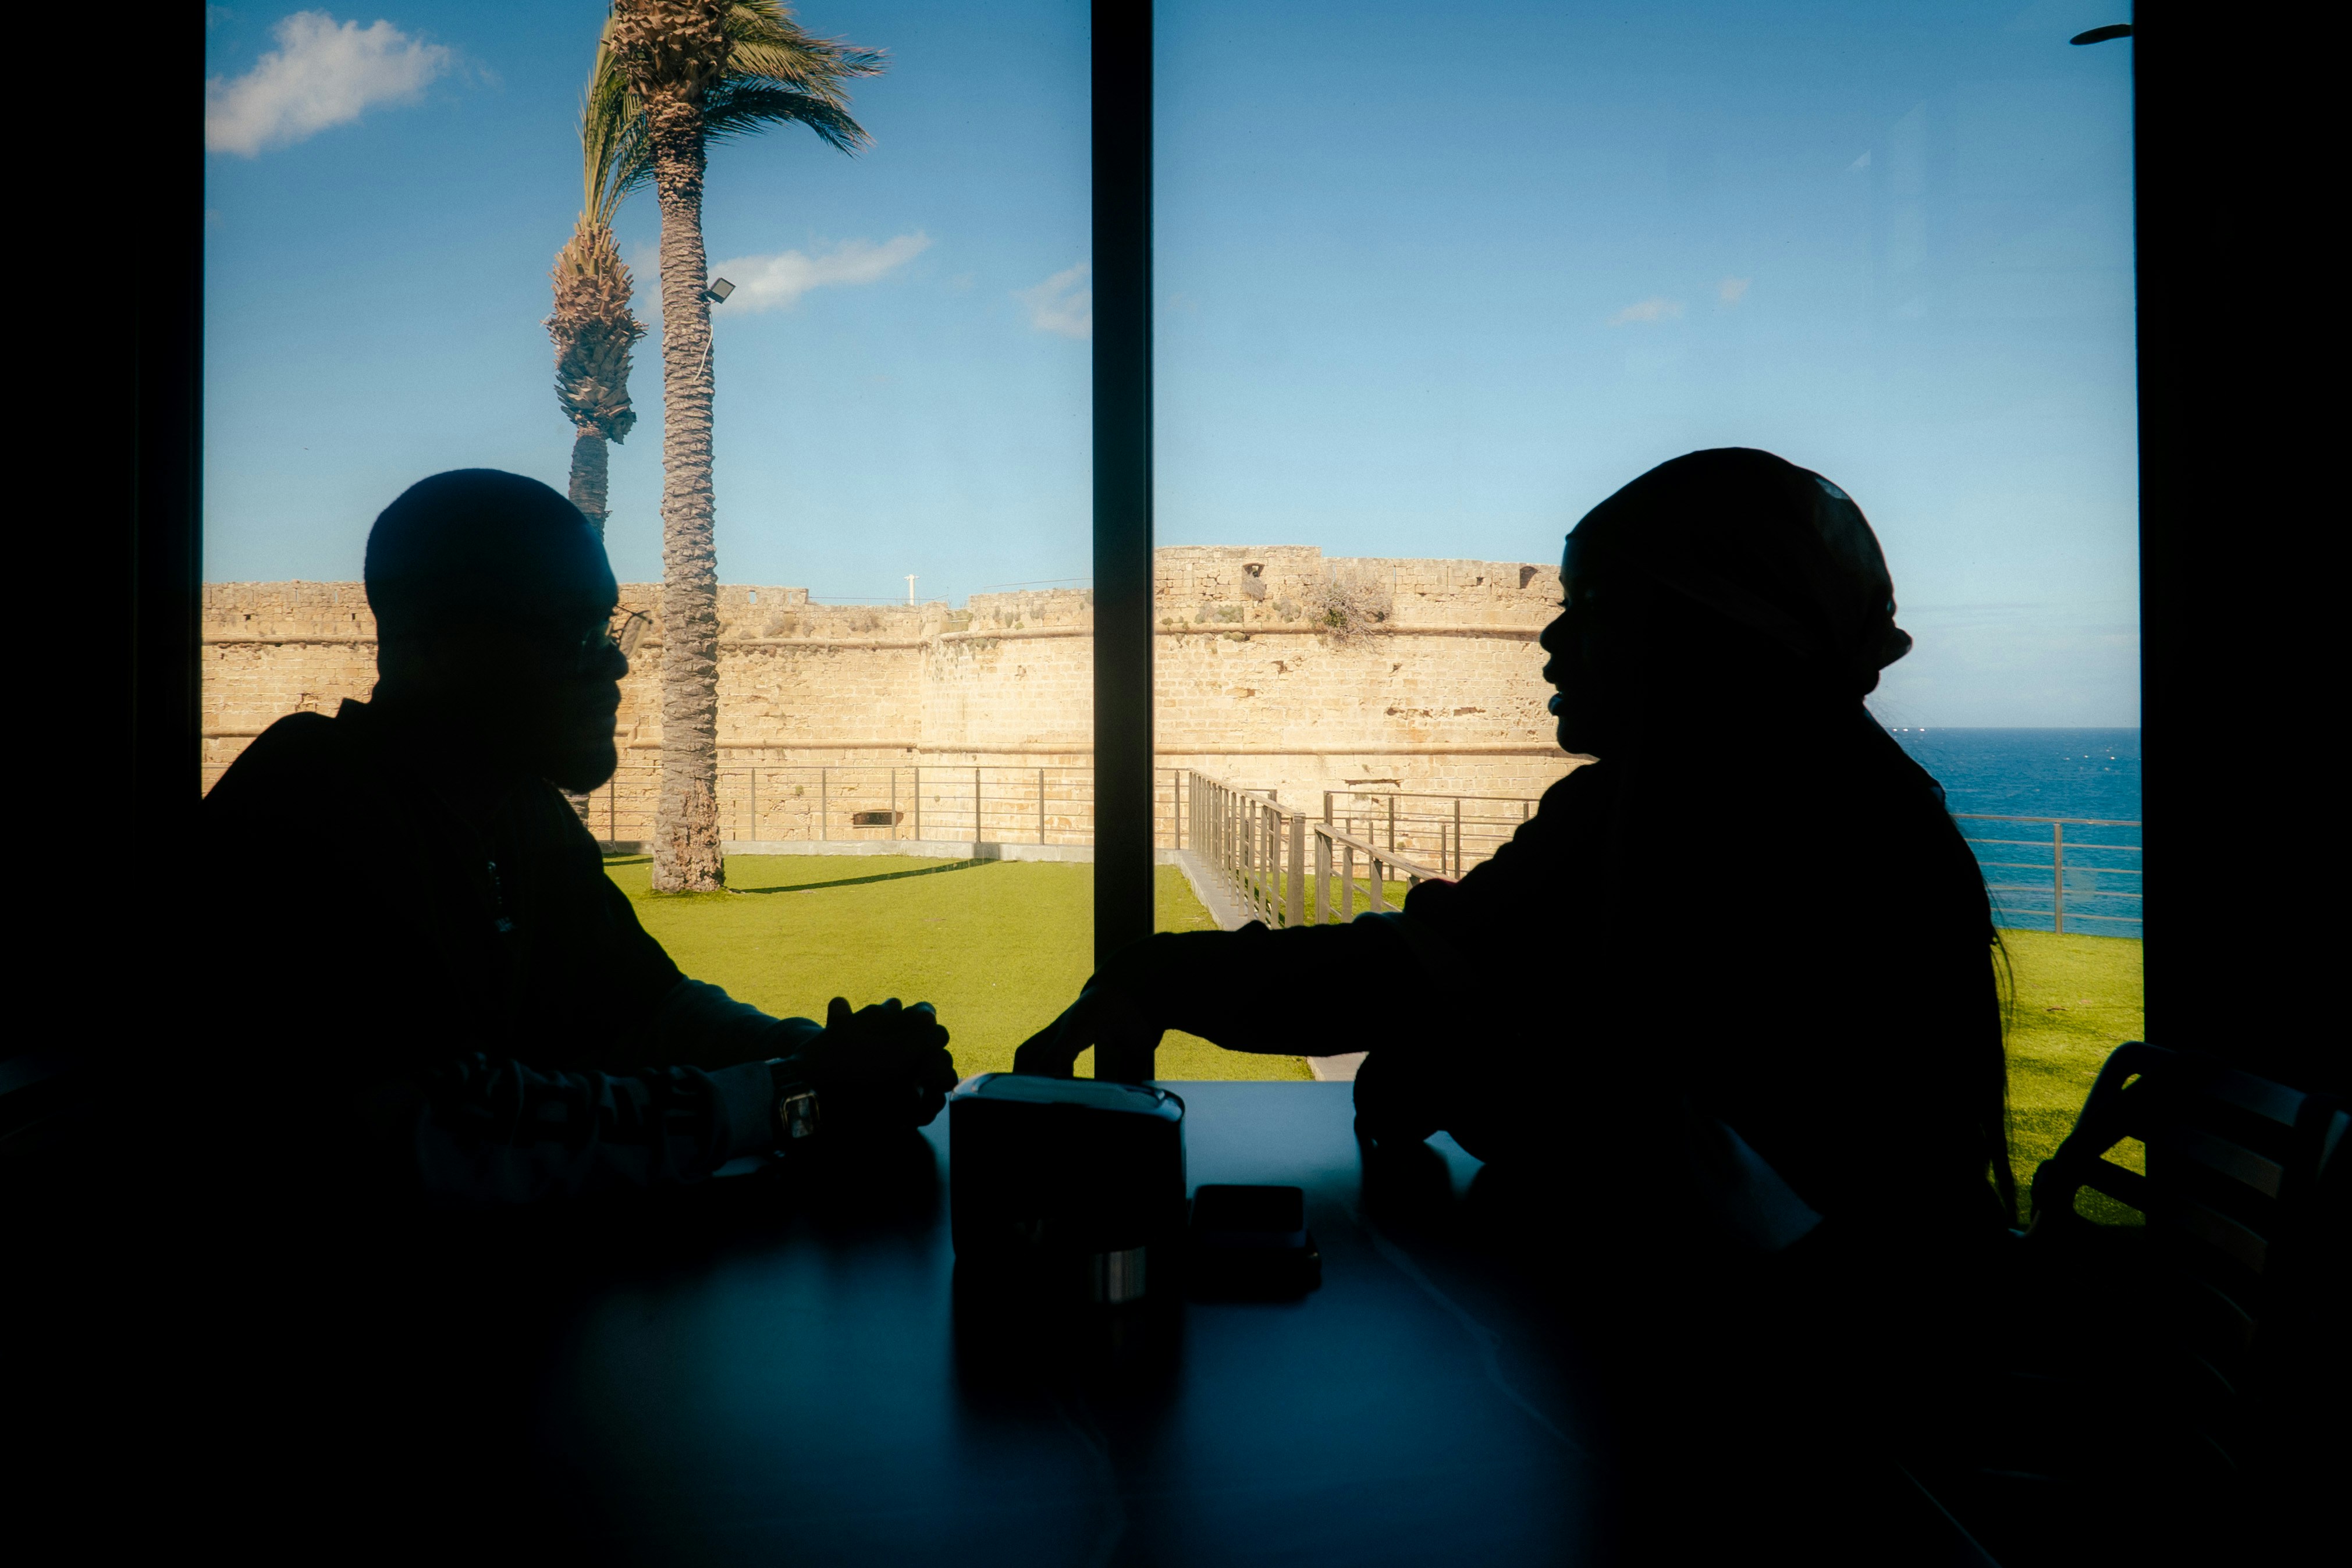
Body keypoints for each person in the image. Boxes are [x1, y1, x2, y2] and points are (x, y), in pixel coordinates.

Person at [1018, 448, 2015, 1254]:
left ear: (1697, 632)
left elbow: (1740, 1169)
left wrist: (1468, 1074)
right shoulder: (1766, 804)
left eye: (1588, 610)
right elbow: (1443, 973)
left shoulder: (1739, 828)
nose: (1546, 642)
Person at [199, 469, 957, 1203]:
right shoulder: (312, 798)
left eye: (607, 625)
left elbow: (648, 1013)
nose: (616, 659)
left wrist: (827, 1055)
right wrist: (797, 1089)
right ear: (435, 645)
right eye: (572, 631)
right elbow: (447, 1126)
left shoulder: (522, 812)